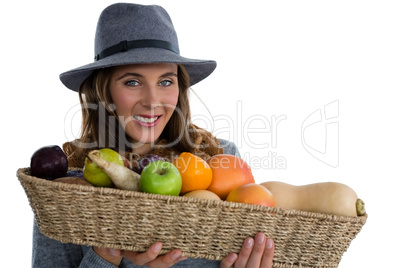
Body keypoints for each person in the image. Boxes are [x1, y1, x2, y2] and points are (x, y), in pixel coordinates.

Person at [32, 3, 275, 267]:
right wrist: (104, 258)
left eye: (166, 81)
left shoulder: (220, 159)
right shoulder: (65, 187)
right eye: (132, 82)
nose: (153, 101)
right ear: (103, 91)